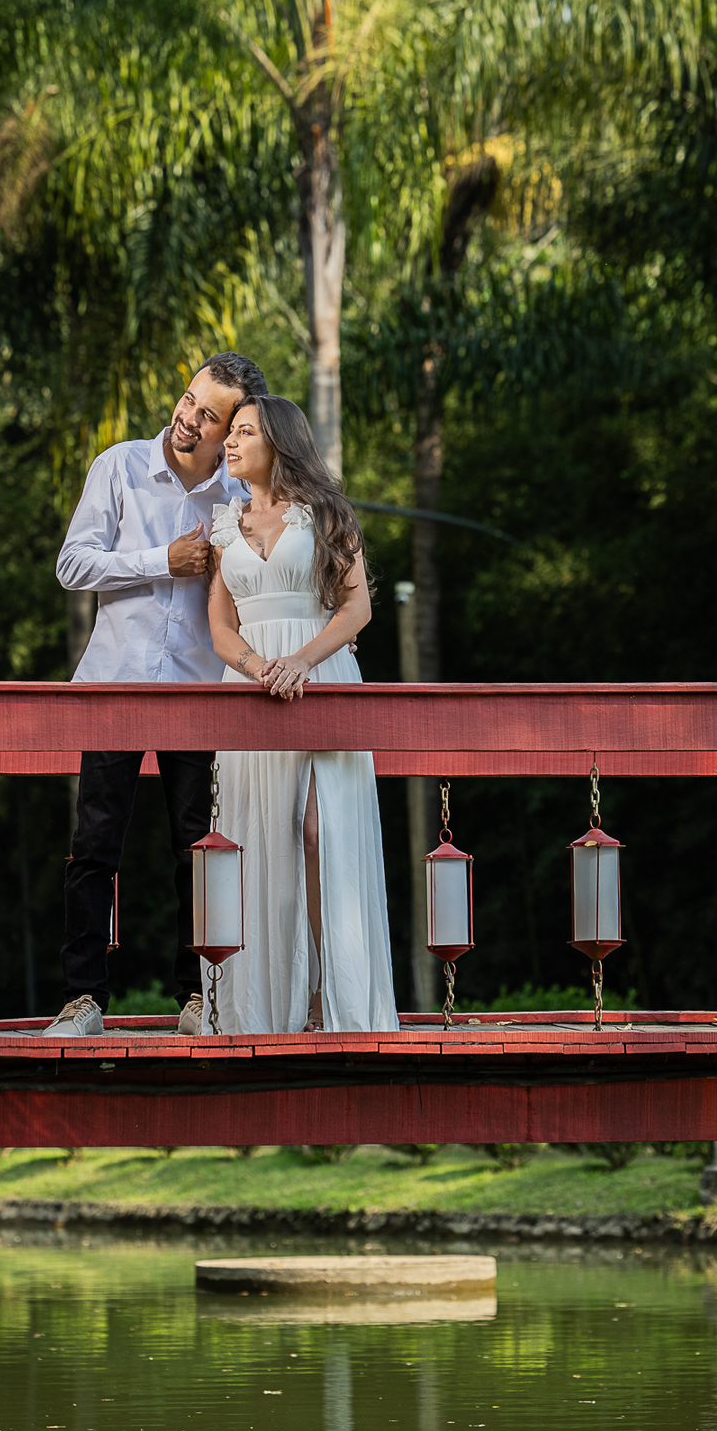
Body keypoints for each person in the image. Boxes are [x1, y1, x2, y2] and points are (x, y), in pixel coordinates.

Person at [53, 353, 262, 1036]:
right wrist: (160, 562)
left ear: (231, 430)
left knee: (197, 848)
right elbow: (72, 564)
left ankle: (198, 998)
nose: (188, 417)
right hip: (114, 684)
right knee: (94, 844)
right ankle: (83, 1001)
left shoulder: (240, 496)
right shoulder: (119, 466)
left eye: (209, 415)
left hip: (198, 693)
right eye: (188, 399)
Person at [205, 394, 398, 1034]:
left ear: (279, 441)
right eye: (230, 433)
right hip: (252, 688)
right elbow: (220, 628)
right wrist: (259, 667)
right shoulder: (224, 525)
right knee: (261, 838)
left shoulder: (327, 513)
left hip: (321, 677)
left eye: (244, 432)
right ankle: (268, 1008)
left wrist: (301, 662)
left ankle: (327, 995)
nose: (230, 443)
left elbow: (356, 608)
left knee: (319, 831)